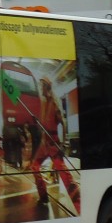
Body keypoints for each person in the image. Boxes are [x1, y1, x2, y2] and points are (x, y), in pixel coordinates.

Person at [30, 77, 80, 210]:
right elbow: (42, 126)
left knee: (64, 174)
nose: (40, 89)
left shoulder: (54, 103)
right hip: (44, 142)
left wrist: (63, 143)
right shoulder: (44, 103)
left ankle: (79, 203)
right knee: (34, 166)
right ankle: (43, 197)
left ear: (47, 87)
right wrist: (37, 121)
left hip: (53, 142)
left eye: (42, 86)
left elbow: (62, 123)